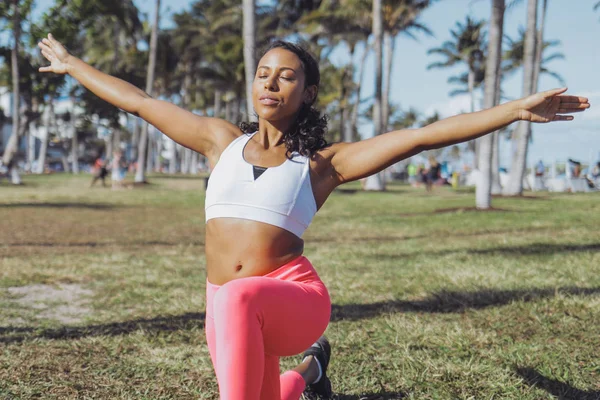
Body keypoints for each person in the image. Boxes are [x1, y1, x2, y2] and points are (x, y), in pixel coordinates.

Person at [37, 33, 590, 400]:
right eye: (263, 73)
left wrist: (514, 110)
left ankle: (306, 355)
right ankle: (309, 371)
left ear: (307, 91)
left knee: (238, 302)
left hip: (290, 297)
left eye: (286, 75)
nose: (271, 83)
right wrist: (71, 65)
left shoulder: (322, 166)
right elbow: (137, 101)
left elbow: (421, 137)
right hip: (223, 306)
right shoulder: (219, 142)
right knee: (257, 379)